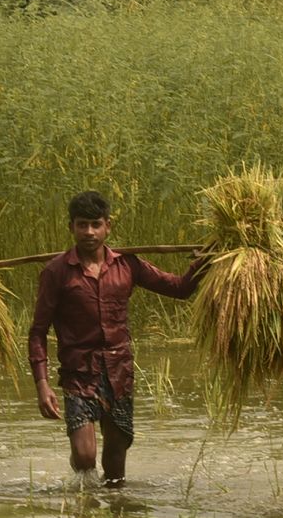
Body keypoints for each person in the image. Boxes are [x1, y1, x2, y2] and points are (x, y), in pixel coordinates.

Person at [29, 190, 207, 487]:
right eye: (82, 224)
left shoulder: (127, 265)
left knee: (115, 464)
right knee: (85, 457)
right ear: (71, 227)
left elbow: (179, 289)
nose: (89, 232)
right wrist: (42, 384)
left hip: (119, 372)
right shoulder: (57, 272)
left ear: (107, 226)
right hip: (79, 374)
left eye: (96, 224)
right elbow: (38, 331)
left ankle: (117, 516)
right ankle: (82, 497)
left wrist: (203, 264)